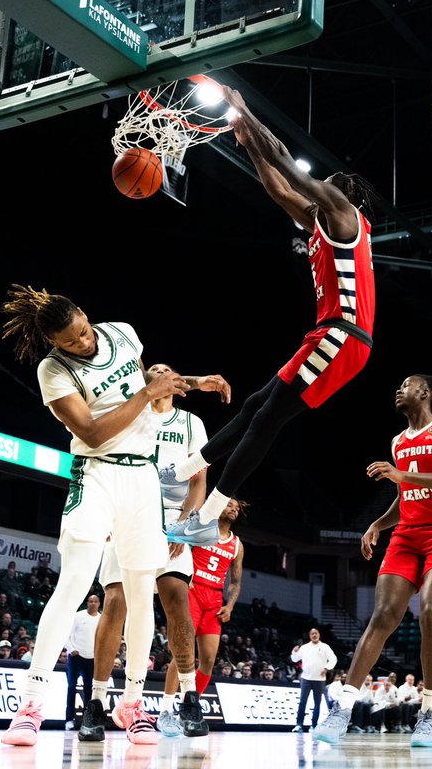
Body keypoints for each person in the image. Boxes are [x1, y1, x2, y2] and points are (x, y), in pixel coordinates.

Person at [0, 286, 229, 747]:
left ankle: (133, 704)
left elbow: (142, 382)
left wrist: (195, 381)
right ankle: (31, 705)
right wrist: (148, 393)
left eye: (82, 332)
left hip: (142, 479)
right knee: (73, 585)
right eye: (70, 342)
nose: (81, 343)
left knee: (143, 595)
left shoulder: (122, 332)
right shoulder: (53, 371)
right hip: (97, 474)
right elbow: (92, 430)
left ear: (86, 314)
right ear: (55, 345)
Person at [164, 84, 377, 547]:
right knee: (254, 407)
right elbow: (277, 186)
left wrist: (245, 113)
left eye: (327, 182)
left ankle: (209, 515)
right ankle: (179, 473)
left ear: (340, 195)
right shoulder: (321, 221)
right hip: (331, 336)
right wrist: (247, 141)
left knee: (266, 421)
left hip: (342, 337)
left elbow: (283, 159)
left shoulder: (344, 214)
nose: (318, 185)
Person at [313, 375, 432, 748]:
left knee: (431, 610)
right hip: (407, 534)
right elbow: (406, 497)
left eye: (407, 384)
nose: (398, 389)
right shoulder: (398, 441)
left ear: (425, 392)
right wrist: (378, 524)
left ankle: (430, 713)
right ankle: (343, 709)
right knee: (382, 616)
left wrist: (402, 474)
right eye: (397, 384)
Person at [79, 363, 215, 742]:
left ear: (175, 381)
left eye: (166, 369)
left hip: (170, 523)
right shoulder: (131, 411)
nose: (157, 372)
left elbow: (199, 478)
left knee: (177, 602)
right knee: (116, 602)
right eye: (150, 368)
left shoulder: (190, 423)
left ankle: (189, 696)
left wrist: (185, 526)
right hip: (124, 516)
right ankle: (97, 701)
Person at [64, 594, 100, 729]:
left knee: (88, 688)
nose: (93, 603)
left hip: (92, 658)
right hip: (76, 656)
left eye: (95, 601)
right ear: (87, 603)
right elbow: (65, 634)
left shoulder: (101, 619)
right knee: (71, 687)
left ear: (99, 604)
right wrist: (71, 649)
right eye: (90, 601)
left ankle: (88, 720)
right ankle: (69, 719)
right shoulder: (78, 616)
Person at [291, 628, 336, 732]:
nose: (314, 635)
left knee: (317, 703)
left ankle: (314, 725)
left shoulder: (325, 647)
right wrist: (294, 652)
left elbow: (333, 659)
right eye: (312, 634)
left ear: (319, 635)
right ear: (310, 635)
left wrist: (327, 668)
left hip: (319, 679)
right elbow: (295, 659)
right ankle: (299, 724)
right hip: (306, 678)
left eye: (316, 633)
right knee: (302, 702)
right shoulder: (305, 647)